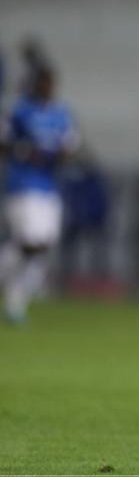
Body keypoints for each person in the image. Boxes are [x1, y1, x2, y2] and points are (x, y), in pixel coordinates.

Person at [0, 67, 80, 324]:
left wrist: (56, 155)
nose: (47, 88)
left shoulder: (61, 113)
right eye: (42, 83)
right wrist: (24, 151)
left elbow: (70, 147)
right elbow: (4, 143)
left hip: (48, 186)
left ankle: (15, 303)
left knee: (42, 247)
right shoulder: (20, 111)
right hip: (23, 185)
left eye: (50, 83)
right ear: (34, 85)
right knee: (32, 243)